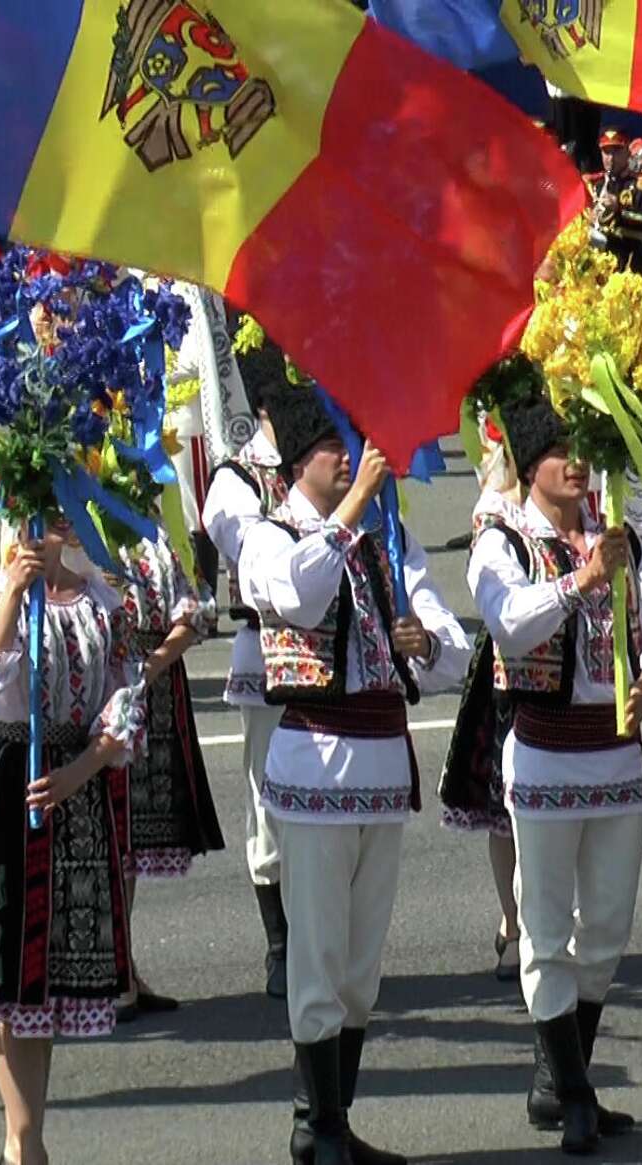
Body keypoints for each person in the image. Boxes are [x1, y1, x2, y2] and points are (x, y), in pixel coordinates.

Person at [238, 375, 470, 1165]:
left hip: (379, 763)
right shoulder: (272, 536)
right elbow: (297, 598)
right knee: (319, 957)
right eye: (336, 446)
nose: (351, 457)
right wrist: (352, 509)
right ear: (301, 461)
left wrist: (425, 643)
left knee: (363, 966)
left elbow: (450, 650)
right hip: (314, 765)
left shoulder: (383, 538)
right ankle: (316, 1124)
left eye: (352, 445)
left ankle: (335, 1120)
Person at [469, 389, 642, 1154]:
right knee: (545, 928)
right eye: (561, 453)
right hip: (543, 750)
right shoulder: (504, 539)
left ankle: (560, 1078)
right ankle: (575, 1095)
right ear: (532, 467)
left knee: (606, 926)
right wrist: (582, 580)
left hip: (614, 750)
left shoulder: (614, 532)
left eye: (580, 451)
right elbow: (508, 619)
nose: (577, 466)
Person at [0, 519, 143, 1165]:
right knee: (9, 972)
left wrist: (78, 772)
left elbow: (125, 701)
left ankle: (27, 1138)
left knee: (48, 979)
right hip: (9, 783)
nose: (50, 523)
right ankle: (23, 1139)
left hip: (74, 784)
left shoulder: (100, 598)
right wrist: (12, 591)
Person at [200, 337, 293, 998]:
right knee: (267, 799)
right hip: (266, 651)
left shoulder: (334, 460)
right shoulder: (238, 477)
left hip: (335, 655)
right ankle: (280, 940)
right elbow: (236, 537)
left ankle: (323, 930)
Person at [106, 530, 224, 1020]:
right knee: (106, 831)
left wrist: (152, 664)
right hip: (101, 686)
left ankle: (122, 962)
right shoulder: (70, 532)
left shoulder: (155, 535)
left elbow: (192, 611)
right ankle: (108, 970)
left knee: (129, 838)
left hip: (150, 688)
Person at [438, 399, 530, 980]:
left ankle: (548, 919)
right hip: (509, 667)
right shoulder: (496, 504)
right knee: (505, 805)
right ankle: (514, 918)